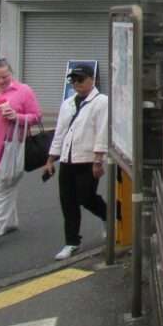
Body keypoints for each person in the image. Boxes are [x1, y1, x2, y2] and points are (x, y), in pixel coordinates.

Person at [0, 59, 42, 247]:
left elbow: (36, 116)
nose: (1, 81)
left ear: (11, 74)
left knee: (0, 189)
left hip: (12, 147)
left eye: (5, 76)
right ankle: (9, 222)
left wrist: (16, 116)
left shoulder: (23, 91)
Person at [45, 66, 108, 260]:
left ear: (92, 80)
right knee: (68, 201)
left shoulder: (101, 102)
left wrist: (98, 160)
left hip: (87, 159)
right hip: (67, 159)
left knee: (86, 197)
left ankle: (109, 217)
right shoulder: (68, 103)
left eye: (81, 80)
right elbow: (60, 132)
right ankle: (72, 242)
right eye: (73, 81)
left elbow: (102, 131)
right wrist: (51, 159)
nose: (77, 84)